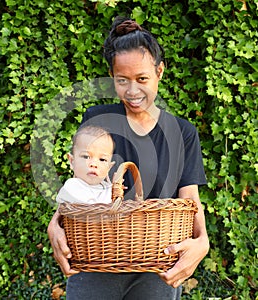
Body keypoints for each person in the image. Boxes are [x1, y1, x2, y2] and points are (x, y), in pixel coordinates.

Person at [48, 16, 210, 299]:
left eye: (142, 79)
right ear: (112, 77)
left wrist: (202, 242)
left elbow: (191, 199)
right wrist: (55, 223)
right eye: (122, 80)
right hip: (96, 259)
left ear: (160, 71)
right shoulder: (98, 120)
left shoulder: (182, 133)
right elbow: (79, 184)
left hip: (157, 265)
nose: (132, 91)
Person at [56, 125, 115, 204]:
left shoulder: (107, 188)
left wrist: (116, 188)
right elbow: (89, 208)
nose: (94, 164)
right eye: (86, 157)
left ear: (109, 167)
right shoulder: (72, 186)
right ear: (72, 161)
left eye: (102, 159)